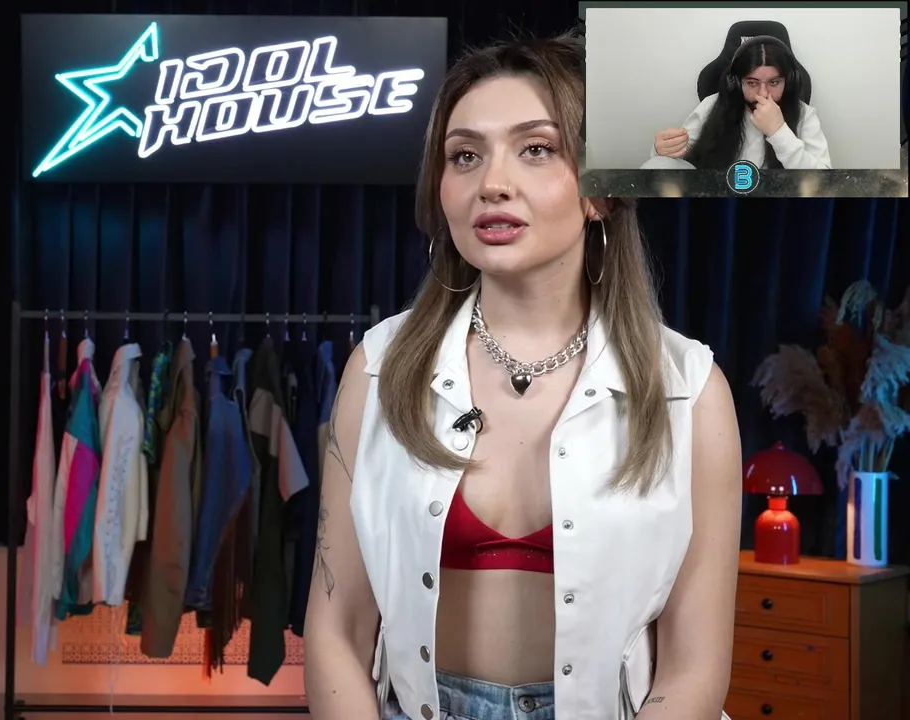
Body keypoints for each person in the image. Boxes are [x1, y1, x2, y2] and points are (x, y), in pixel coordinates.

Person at [302, 31, 741, 720]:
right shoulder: (378, 370)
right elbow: (337, 630)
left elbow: (694, 669)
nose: (492, 184)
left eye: (536, 149)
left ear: (601, 194)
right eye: (465, 156)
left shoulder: (689, 391)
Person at [647, 35, 831, 170]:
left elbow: (825, 182)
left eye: (774, 82)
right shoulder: (711, 105)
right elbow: (678, 162)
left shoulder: (805, 115)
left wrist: (779, 132)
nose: (763, 93)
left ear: (788, 82)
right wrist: (661, 151)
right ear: (735, 83)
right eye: (752, 83)